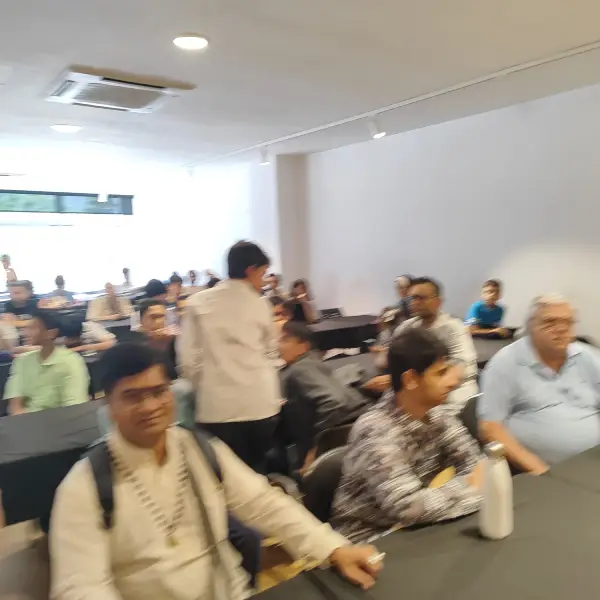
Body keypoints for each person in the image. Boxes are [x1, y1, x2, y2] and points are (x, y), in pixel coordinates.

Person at [50, 343, 383, 600]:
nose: (150, 406)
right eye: (132, 397)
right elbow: (81, 586)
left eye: (158, 392)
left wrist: (333, 548)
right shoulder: (84, 485)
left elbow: (263, 503)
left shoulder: (198, 447)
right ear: (107, 404)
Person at [331, 328, 482, 543]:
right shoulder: (374, 430)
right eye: (440, 373)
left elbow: (476, 464)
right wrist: (470, 486)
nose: (451, 382)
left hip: (419, 528)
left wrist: (468, 486)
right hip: (369, 539)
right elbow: (409, 508)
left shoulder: (438, 414)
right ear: (410, 379)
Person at [178, 241, 281, 472]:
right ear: (250, 270)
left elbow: (187, 360)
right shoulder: (261, 305)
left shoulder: (198, 302)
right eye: (262, 274)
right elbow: (272, 352)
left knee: (221, 475)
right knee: (256, 472)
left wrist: (205, 386)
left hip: (217, 408)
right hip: (261, 404)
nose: (263, 281)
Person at [479, 294, 600, 473]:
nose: (561, 329)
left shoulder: (586, 356)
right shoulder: (505, 363)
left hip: (592, 461)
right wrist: (540, 471)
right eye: (550, 322)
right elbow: (490, 428)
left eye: (567, 322)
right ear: (531, 326)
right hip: (545, 471)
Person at [279, 321, 370, 473]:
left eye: (285, 340)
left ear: (303, 346)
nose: (279, 346)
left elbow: (334, 403)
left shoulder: (299, 369)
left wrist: (315, 449)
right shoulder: (314, 364)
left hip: (325, 452)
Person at [392, 277, 478, 413]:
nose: (415, 302)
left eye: (421, 298)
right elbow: (391, 357)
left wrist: (431, 383)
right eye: (412, 298)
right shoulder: (406, 327)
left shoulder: (453, 327)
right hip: (415, 387)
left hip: (455, 390)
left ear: (438, 301)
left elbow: (464, 364)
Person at [4, 310, 90, 414]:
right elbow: (15, 404)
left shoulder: (71, 361)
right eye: (26, 328)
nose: (25, 333)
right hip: (25, 419)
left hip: (59, 420)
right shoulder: (22, 361)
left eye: (33, 328)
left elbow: (74, 406)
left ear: (51, 333)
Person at [131, 299, 178, 380]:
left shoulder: (174, 339)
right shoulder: (134, 347)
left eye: (162, 316)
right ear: (141, 321)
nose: (159, 321)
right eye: (153, 317)